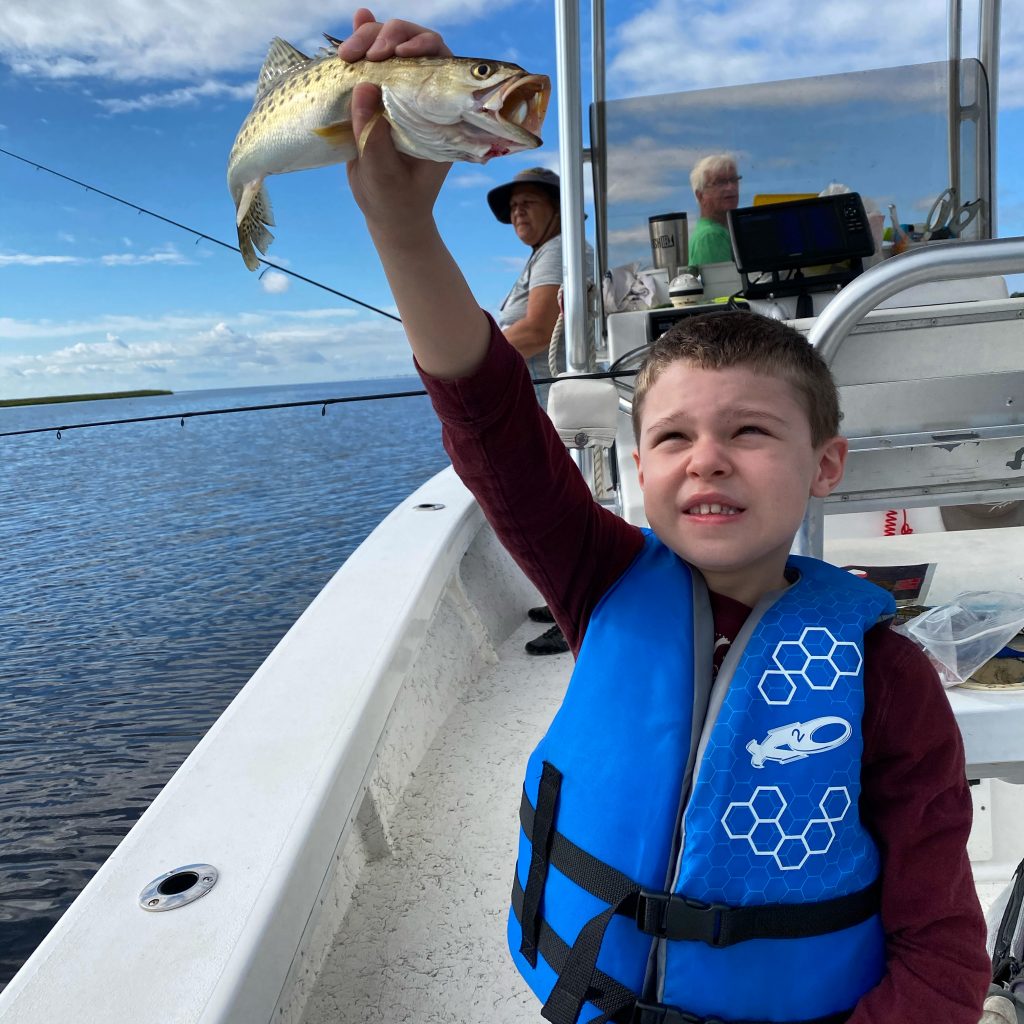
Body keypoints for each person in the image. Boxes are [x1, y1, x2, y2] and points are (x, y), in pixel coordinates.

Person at [339, 11, 990, 1024]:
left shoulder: (890, 682)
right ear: (635, 466)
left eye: (749, 432)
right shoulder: (596, 575)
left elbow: (943, 958)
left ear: (825, 465)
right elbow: (490, 417)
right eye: (674, 437)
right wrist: (399, 223)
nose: (708, 457)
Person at [488, 165, 578, 657]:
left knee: (551, 509)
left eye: (529, 203)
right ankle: (566, 598)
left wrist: (469, 355)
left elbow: (539, 330)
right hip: (545, 404)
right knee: (553, 507)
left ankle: (573, 613)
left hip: (552, 406)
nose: (517, 211)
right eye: (513, 205)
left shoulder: (557, 250)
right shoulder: (544, 254)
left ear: (557, 210)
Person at [688, 153, 741, 269]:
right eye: (720, 182)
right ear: (700, 196)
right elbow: (725, 286)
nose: (730, 187)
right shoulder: (710, 236)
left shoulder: (720, 231)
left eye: (733, 180)